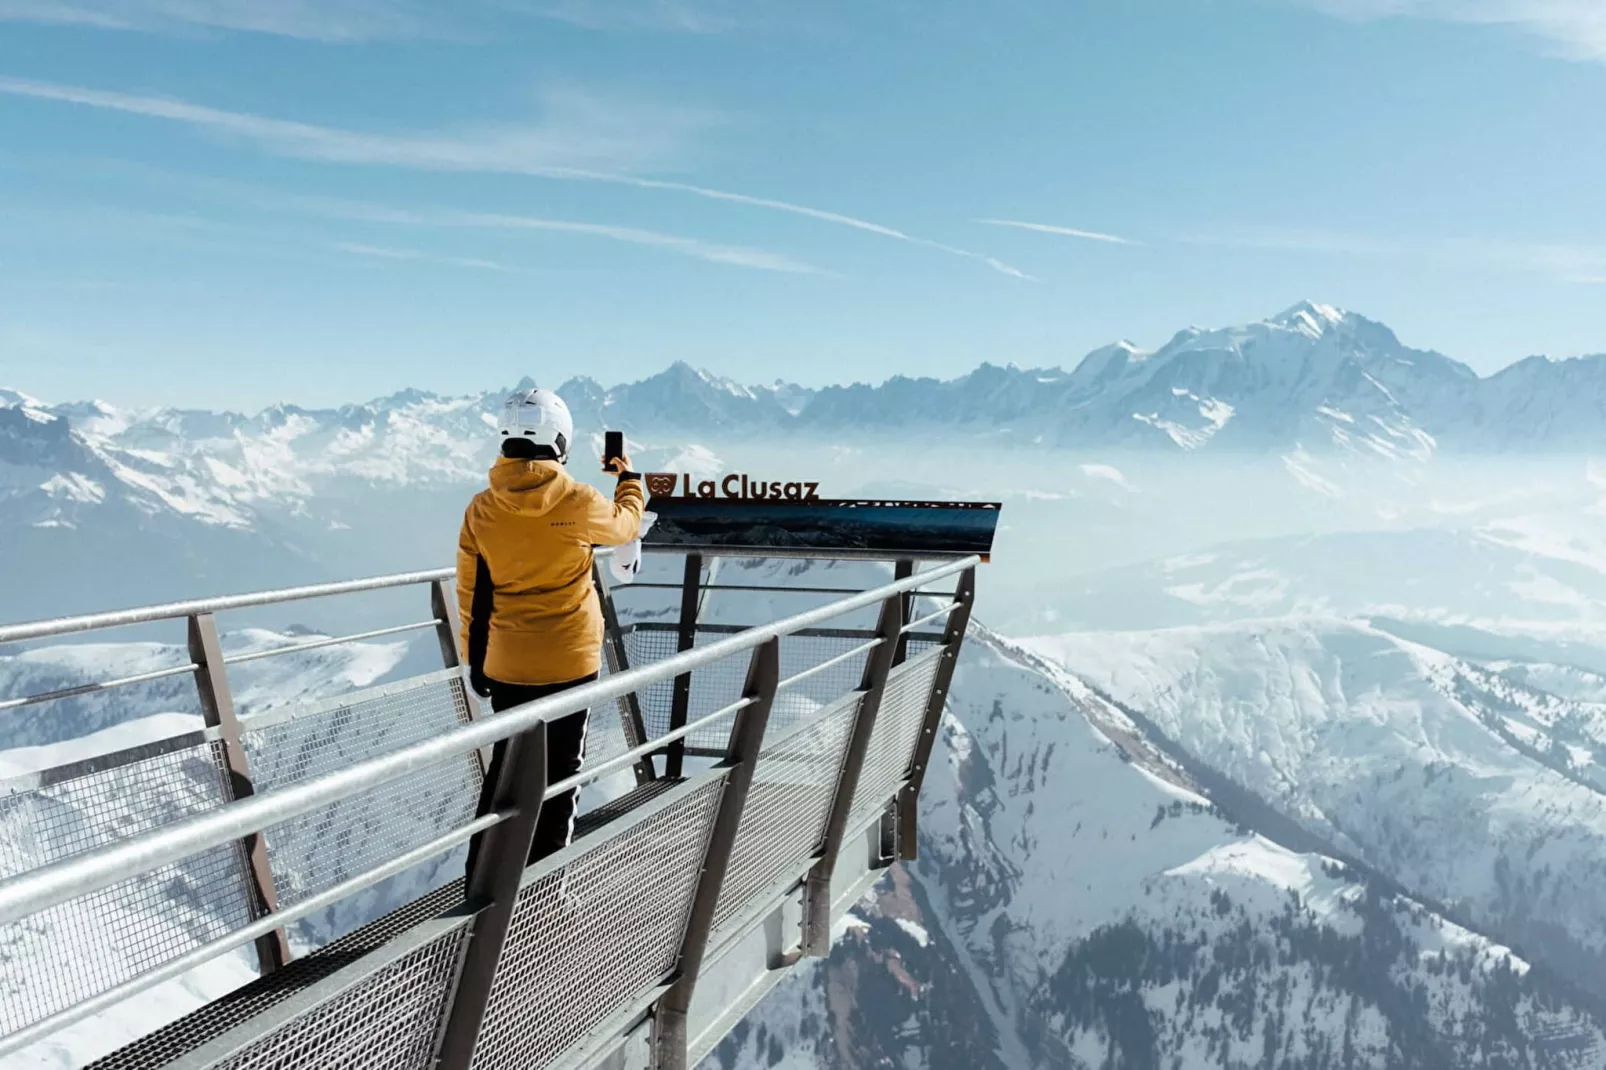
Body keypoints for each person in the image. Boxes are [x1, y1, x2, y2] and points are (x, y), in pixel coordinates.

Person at [457, 386, 643, 876]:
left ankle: (483, 881)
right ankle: (545, 892)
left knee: (505, 773)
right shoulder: (579, 500)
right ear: (560, 440)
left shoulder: (481, 509)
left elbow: (471, 593)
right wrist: (630, 481)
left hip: (506, 661)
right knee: (560, 774)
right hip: (568, 660)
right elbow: (624, 528)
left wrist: (474, 660)